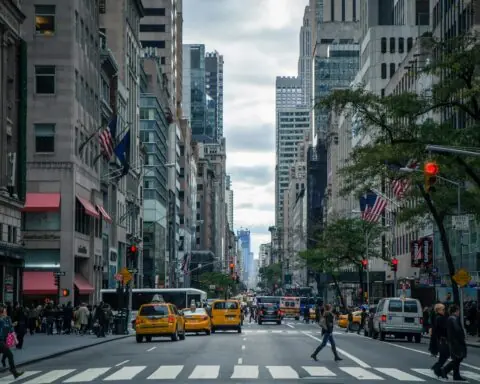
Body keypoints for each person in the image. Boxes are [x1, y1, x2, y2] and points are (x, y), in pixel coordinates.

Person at [440, 304, 467, 381]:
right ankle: (445, 370)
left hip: (453, 341)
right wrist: (462, 335)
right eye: (458, 310)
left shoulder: (451, 318)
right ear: (455, 311)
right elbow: (457, 330)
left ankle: (456, 375)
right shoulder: (453, 319)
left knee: (457, 358)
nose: (459, 312)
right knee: (458, 358)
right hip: (456, 342)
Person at [0, 303, 23, 379]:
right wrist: (11, 324)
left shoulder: (5, 319)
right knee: (10, 354)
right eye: (4, 311)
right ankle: (13, 371)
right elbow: (5, 327)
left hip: (3, 340)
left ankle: (14, 371)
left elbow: (7, 329)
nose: (5, 312)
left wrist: (10, 324)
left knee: (9, 354)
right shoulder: (1, 320)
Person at [430, 303, 449, 378]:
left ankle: (437, 368)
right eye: (443, 309)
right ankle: (437, 368)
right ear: (438, 310)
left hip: (439, 339)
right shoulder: (440, 318)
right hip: (442, 339)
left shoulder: (437, 317)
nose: (444, 311)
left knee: (443, 355)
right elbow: (443, 329)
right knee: (445, 354)